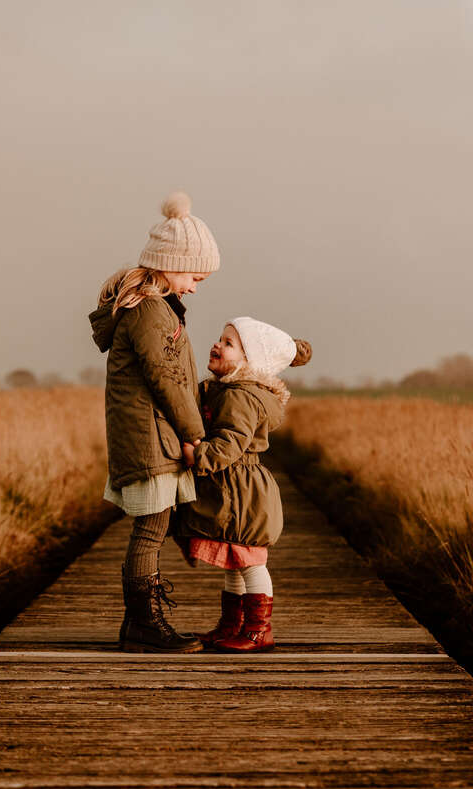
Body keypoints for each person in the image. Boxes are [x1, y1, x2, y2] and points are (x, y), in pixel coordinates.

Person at [89, 192, 219, 652]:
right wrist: (196, 435)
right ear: (167, 264)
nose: (195, 286)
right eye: (192, 276)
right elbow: (167, 381)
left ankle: (140, 623)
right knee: (150, 529)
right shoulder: (148, 310)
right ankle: (143, 625)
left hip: (152, 436)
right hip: (151, 440)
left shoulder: (157, 308)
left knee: (155, 527)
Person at [178, 317, 311, 652]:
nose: (217, 345)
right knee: (234, 562)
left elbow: (231, 444)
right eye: (220, 338)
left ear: (250, 362)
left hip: (242, 492)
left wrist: (198, 455)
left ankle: (258, 629)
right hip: (234, 486)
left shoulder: (241, 397)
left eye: (229, 343)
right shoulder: (229, 390)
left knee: (251, 562)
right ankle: (231, 625)